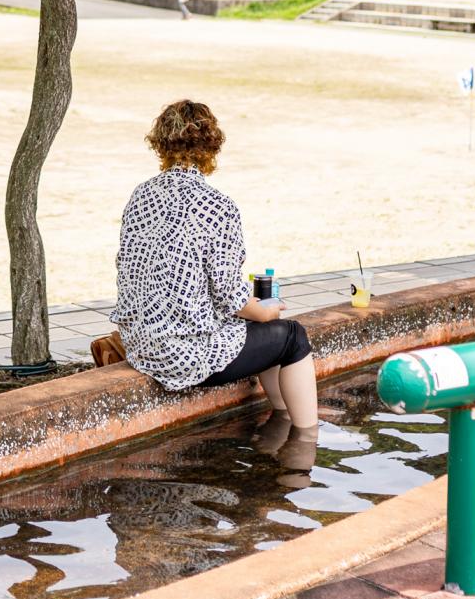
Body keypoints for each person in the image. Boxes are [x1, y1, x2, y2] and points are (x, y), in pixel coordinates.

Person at [111, 99, 319, 471]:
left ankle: (280, 423)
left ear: (160, 143)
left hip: (141, 345)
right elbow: (229, 294)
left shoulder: (139, 197)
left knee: (265, 331)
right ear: (212, 145)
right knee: (291, 336)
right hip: (185, 356)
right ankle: (304, 450)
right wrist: (262, 310)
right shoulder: (216, 205)